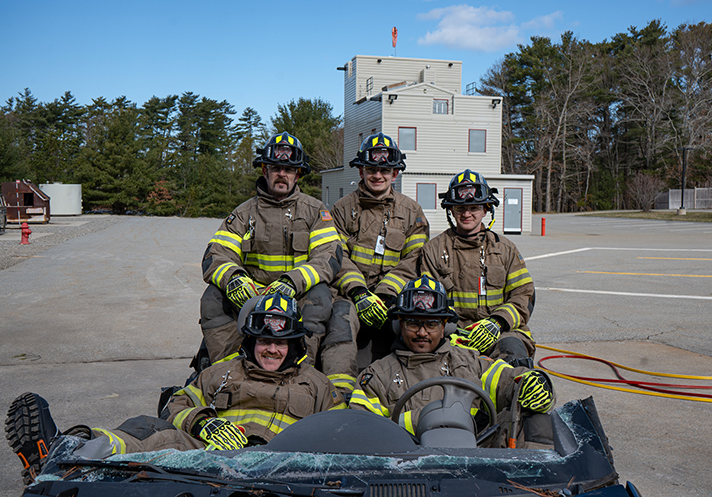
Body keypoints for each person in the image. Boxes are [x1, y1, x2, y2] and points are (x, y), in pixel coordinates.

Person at [6, 294, 346, 484]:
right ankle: (64, 452)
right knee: (152, 430)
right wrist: (204, 423)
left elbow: (343, 432)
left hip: (279, 465)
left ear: (294, 345)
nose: (271, 349)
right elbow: (177, 404)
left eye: (280, 343)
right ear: (250, 341)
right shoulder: (222, 371)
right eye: (263, 341)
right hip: (207, 454)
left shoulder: (317, 384)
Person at [349, 276, 554, 448]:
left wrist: (536, 383)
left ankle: (538, 479)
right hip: (407, 466)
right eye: (413, 323)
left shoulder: (469, 362)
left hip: (477, 461)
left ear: (445, 328)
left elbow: (509, 380)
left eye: (431, 324)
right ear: (399, 326)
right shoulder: (377, 376)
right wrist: (427, 419)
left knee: (537, 419)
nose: (422, 333)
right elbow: (361, 429)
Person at [200, 131, 343, 368]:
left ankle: (300, 369)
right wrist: (234, 279)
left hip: (298, 293)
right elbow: (215, 254)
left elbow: (329, 256)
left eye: (289, 169)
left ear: (298, 174)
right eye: (276, 168)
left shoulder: (315, 211)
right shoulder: (243, 214)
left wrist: (292, 282)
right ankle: (228, 370)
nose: (282, 174)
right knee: (212, 297)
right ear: (265, 171)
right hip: (252, 294)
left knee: (321, 296)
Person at [386, 169, 536, 363]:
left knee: (514, 357)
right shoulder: (434, 250)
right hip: (451, 334)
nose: (466, 214)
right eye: (460, 208)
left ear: (486, 210)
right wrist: (449, 331)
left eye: (474, 208)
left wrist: (497, 322)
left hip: (500, 332)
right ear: (451, 210)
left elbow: (524, 296)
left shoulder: (505, 249)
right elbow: (427, 299)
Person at [326, 132, 429, 395]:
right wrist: (359, 293)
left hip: (393, 297)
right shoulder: (341, 209)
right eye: (371, 169)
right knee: (339, 324)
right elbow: (336, 256)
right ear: (361, 171)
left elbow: (414, 260)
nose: (377, 176)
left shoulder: (412, 212)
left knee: (415, 328)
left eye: (384, 170)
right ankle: (339, 393)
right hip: (350, 294)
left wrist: (385, 294)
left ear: (395, 174)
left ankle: (407, 393)